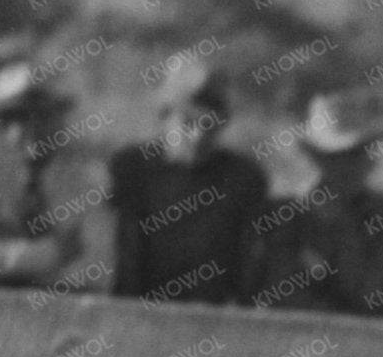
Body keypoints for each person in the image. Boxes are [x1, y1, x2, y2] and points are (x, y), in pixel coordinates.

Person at [103, 51, 271, 308]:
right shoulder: (132, 169)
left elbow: (250, 269)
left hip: (213, 322)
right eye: (189, 122)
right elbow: (119, 259)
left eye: (210, 124)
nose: (198, 135)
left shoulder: (242, 178)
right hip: (139, 316)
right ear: (165, 115)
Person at [252, 91, 383, 321]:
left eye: (362, 151)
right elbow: (283, 297)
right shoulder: (283, 214)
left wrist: (342, 228)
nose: (354, 164)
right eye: (341, 155)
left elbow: (374, 298)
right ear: (317, 157)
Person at [0, 62, 93, 290]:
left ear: (60, 121)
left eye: (42, 116)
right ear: (2, 127)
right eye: (18, 119)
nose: (32, 130)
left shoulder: (86, 182)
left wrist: (3, 259)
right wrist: (52, 253)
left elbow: (92, 266)